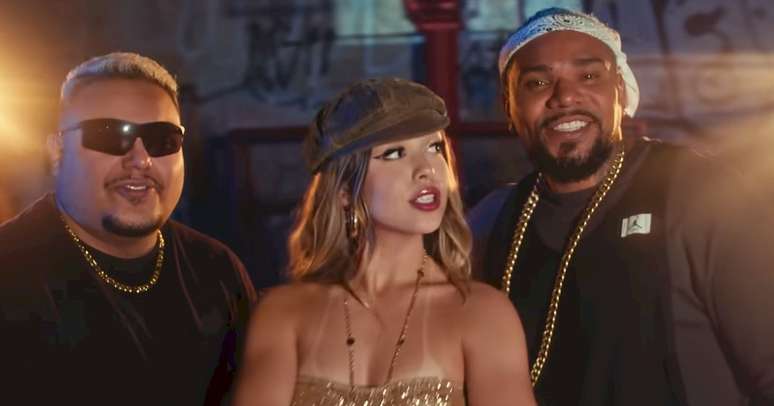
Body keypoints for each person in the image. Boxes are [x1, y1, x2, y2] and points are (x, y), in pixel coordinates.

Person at [469, 7, 774, 406]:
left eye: (589, 76)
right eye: (537, 82)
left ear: (621, 91)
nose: (565, 97)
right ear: (509, 106)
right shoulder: (490, 221)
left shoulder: (702, 191)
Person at [233, 77, 536, 405]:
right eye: (394, 153)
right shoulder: (282, 314)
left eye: (434, 148)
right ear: (344, 190)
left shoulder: (483, 314)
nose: (426, 170)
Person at [0, 52, 256, 405]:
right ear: (58, 152)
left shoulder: (218, 271)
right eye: (110, 136)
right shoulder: (10, 272)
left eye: (162, 139)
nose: (140, 160)